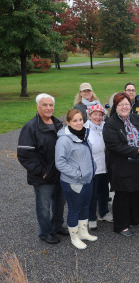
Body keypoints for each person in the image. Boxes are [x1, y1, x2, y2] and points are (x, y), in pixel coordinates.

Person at [17, 93, 67, 244]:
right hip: (43, 176)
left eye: (51, 105)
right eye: (44, 105)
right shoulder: (31, 127)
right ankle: (45, 232)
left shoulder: (58, 124)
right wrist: (42, 172)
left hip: (60, 173)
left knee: (59, 202)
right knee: (44, 206)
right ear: (37, 106)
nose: (48, 108)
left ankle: (57, 226)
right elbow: (24, 154)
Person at [103, 92, 139, 237]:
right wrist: (137, 150)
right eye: (120, 104)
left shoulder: (136, 118)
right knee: (123, 196)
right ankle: (121, 225)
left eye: (127, 104)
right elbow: (115, 146)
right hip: (122, 166)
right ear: (115, 107)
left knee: (137, 193)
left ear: (131, 106)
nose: (124, 107)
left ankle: (134, 219)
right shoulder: (110, 124)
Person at [55, 109, 97, 250]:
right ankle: (74, 237)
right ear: (68, 122)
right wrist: (78, 174)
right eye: (75, 120)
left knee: (85, 206)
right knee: (74, 209)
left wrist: (92, 170)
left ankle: (83, 232)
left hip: (88, 179)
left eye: (80, 119)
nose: (79, 123)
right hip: (73, 182)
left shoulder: (84, 134)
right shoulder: (64, 140)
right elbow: (60, 163)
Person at [84, 105, 113, 230]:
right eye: (95, 114)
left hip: (104, 165)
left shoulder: (105, 127)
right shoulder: (85, 129)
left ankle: (104, 212)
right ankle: (91, 218)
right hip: (91, 167)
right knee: (92, 194)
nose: (98, 117)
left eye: (100, 115)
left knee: (104, 191)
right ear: (89, 115)